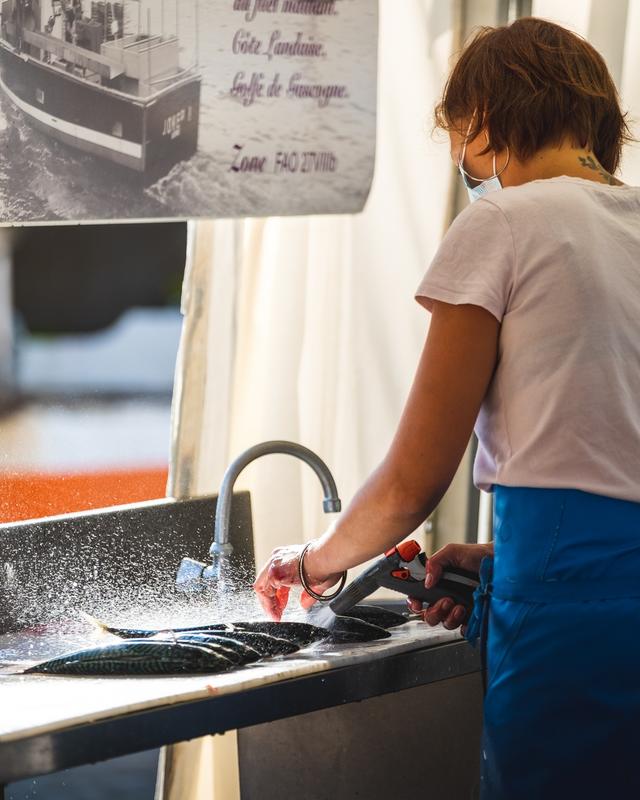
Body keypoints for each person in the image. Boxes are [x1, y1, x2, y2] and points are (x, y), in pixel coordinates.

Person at [254, 16, 639, 800]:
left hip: (571, 622)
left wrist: (313, 563)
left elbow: (412, 481)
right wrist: (505, 559)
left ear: (485, 125)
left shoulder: (502, 222)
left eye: (462, 138)